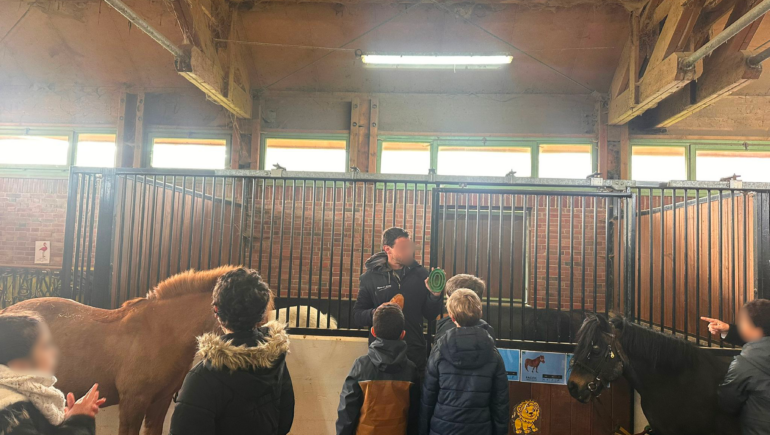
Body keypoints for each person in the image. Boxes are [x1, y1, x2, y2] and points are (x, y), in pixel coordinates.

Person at [170, 268, 295, 435]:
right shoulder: (276, 359)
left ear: (216, 310)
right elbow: (285, 420)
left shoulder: (202, 378)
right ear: (262, 313)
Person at [354, 227, 444, 372]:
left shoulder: (421, 274)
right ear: (387, 249)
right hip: (381, 354)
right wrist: (377, 312)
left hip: (414, 350)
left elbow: (430, 314)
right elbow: (358, 315)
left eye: (409, 247)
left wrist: (435, 296)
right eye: (403, 248)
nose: (409, 252)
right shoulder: (370, 278)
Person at [420, 290, 509, 435]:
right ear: (480, 314)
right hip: (479, 428)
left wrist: (423, 430)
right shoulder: (493, 354)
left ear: (452, 317)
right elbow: (500, 402)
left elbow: (428, 397)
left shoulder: (439, 350)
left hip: (442, 428)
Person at [0, 312, 105, 435]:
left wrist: (69, 420)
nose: (54, 352)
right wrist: (79, 421)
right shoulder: (12, 412)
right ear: (20, 365)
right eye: (45, 346)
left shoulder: (25, 399)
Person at [336, 303, 420, 435]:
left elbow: (347, 411)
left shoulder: (361, 365)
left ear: (373, 332)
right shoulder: (411, 370)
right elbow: (414, 414)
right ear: (403, 334)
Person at [718, 299, 770, 435]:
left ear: (757, 329)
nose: (739, 326)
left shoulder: (744, 363)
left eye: (743, 322)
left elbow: (727, 404)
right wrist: (728, 330)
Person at [433, 274, 494, 343]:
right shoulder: (487, 330)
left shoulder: (446, 331)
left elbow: (437, 349)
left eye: (447, 299)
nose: (446, 305)